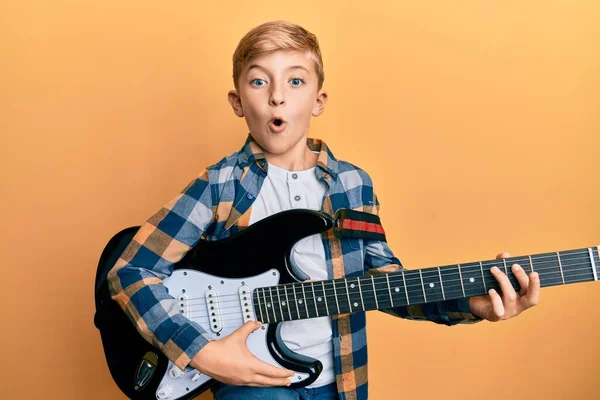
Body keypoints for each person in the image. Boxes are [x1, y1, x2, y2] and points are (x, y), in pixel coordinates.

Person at [107, 20, 540, 400]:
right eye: (259, 82)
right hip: (253, 385)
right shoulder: (220, 182)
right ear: (238, 102)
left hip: (342, 380)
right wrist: (203, 351)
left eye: (295, 81)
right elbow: (130, 271)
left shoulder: (354, 184)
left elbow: (381, 282)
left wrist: (470, 302)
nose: (278, 97)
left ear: (319, 99)